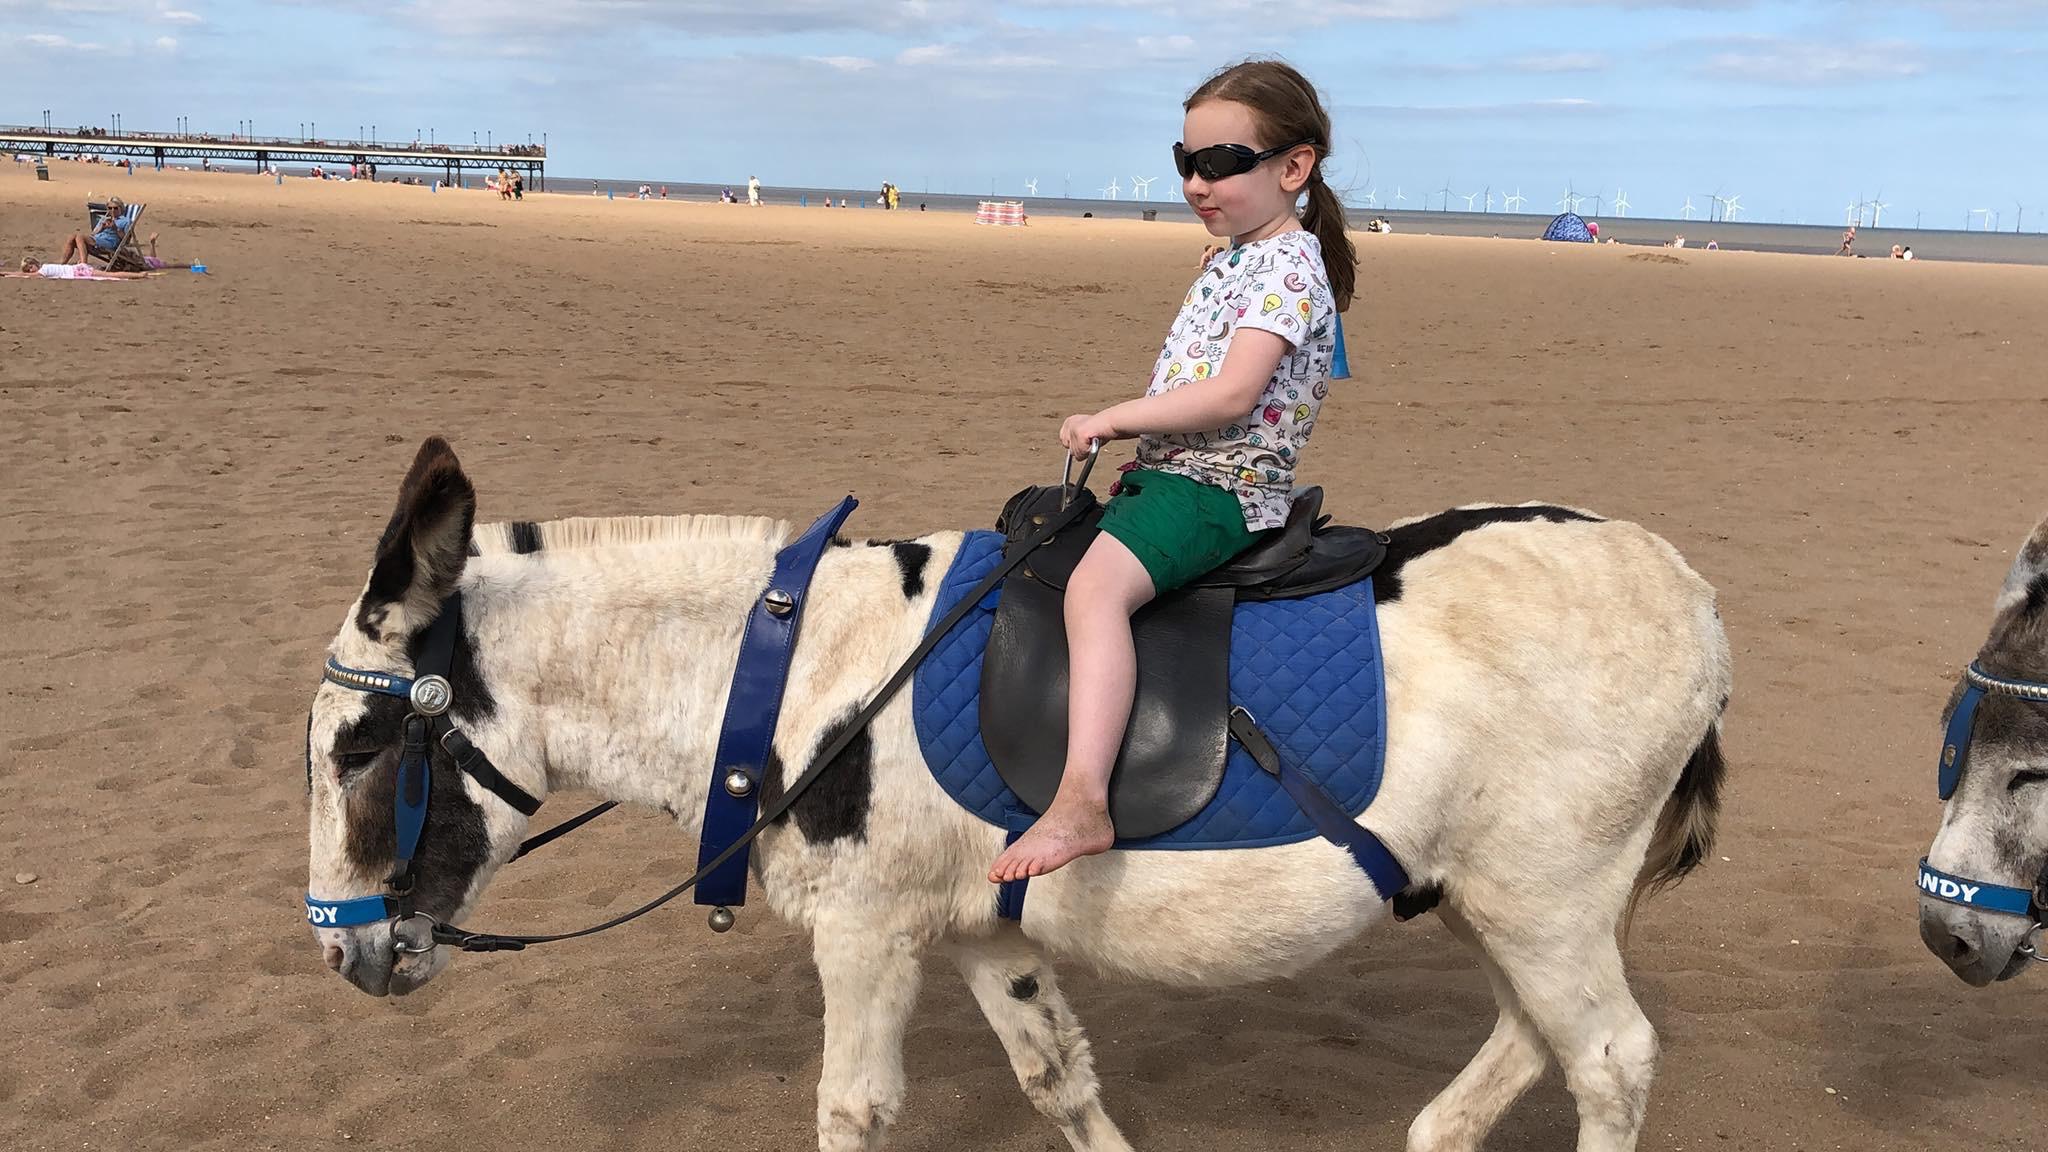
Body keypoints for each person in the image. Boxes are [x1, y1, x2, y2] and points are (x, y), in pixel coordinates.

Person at [989, 58, 1353, 882]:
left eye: (1224, 163)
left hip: (1217, 486)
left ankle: (1081, 800)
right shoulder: (1238, 257)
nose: (1198, 181)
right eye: (1186, 161)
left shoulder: (1290, 269)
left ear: (1294, 168)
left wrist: (1112, 418)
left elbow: (1230, 396)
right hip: (1173, 475)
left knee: (1093, 591)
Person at [9, 257, 152, 280]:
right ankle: (139, 275)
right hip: (78, 268)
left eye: (30, 267)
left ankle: (139, 275)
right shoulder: (45, 267)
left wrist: (7, 274)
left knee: (111, 275)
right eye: (28, 269)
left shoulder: (43, 270)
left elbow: (24, 276)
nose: (31, 271)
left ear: (35, 264)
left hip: (78, 270)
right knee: (109, 274)